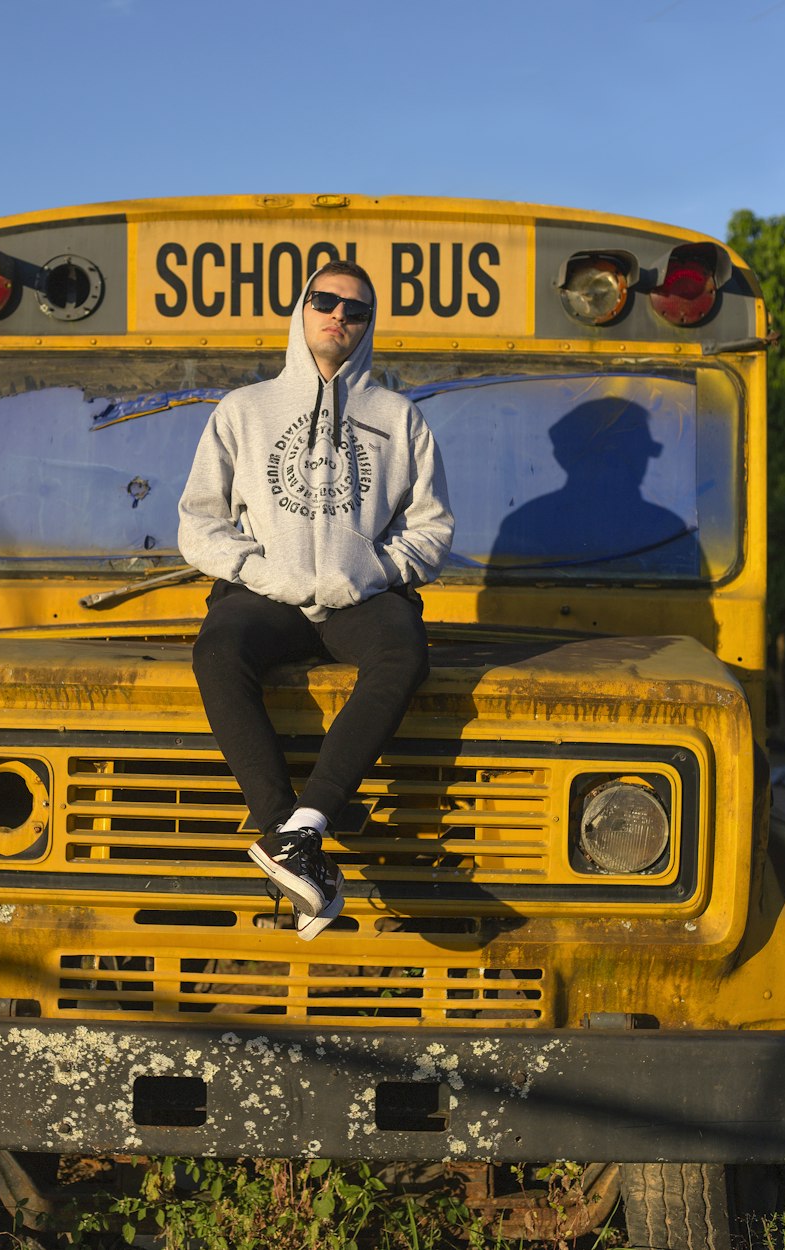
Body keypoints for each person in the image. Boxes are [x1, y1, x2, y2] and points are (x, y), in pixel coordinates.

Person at [178, 261, 454, 940]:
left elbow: (433, 527)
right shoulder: (244, 410)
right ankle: (280, 831)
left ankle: (306, 826)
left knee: (404, 650)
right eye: (324, 301)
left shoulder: (398, 416)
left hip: (357, 595)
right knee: (217, 650)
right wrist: (259, 572)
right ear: (300, 311)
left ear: (368, 327)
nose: (339, 315)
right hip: (267, 592)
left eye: (355, 310)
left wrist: (374, 571)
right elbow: (199, 520)